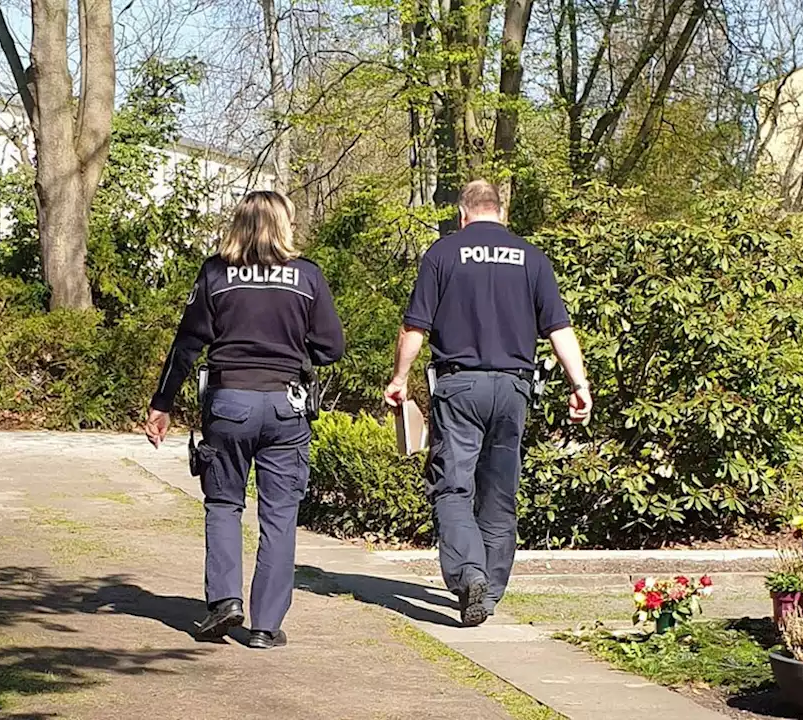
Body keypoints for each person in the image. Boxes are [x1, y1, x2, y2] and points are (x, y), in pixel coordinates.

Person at [383, 180, 591, 627]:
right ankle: (490, 592)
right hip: (514, 388)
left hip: (459, 388)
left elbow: (414, 327)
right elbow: (559, 330)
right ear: (502, 212)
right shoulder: (532, 258)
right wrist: (580, 384)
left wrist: (400, 379)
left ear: (463, 215)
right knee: (499, 491)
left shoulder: (443, 254)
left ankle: (468, 574)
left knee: (453, 488)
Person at [145, 190, 344, 649]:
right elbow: (332, 347)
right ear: (286, 223)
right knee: (279, 514)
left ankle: (224, 603)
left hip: (229, 402)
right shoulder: (307, 276)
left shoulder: (216, 273)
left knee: (223, 504)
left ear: (238, 224)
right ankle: (266, 626)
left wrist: (162, 404)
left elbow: (187, 344)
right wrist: (296, 353)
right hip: (285, 407)